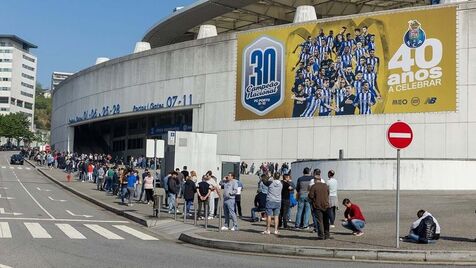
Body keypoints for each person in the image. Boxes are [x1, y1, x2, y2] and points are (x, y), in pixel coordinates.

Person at [308, 169, 331, 240]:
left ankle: (321, 235)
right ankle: (327, 235)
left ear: (315, 180)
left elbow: (310, 196)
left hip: (317, 206)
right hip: (326, 205)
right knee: (326, 221)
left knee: (320, 221)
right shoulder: (325, 185)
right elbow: (328, 193)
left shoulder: (314, 186)